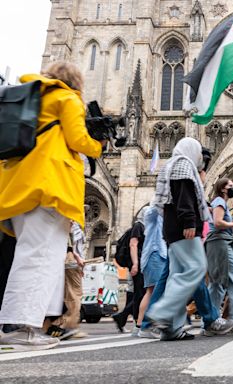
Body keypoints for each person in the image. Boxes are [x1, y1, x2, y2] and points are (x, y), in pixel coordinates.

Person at [0, 62, 104, 351]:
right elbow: (79, 139)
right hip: (49, 188)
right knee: (40, 259)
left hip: (20, 188)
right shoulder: (65, 97)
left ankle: (23, 325)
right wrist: (100, 143)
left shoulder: (34, 97)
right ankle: (22, 328)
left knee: (32, 257)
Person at [146, 137, 213, 340]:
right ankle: (163, 312)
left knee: (177, 275)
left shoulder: (171, 165)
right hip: (184, 229)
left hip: (173, 230)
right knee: (196, 268)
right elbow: (184, 195)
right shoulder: (183, 165)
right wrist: (190, 222)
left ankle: (171, 329)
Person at [205, 178, 233, 329]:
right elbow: (218, 223)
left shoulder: (218, 202)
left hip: (217, 243)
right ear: (223, 189)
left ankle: (210, 320)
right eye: (230, 186)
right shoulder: (219, 201)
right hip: (220, 243)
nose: (232, 188)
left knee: (217, 283)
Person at [46, 222, 87, 340]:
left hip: (67, 257)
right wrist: (76, 257)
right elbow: (68, 240)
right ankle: (68, 325)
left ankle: (55, 325)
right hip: (70, 257)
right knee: (74, 292)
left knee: (65, 292)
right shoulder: (72, 219)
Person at [136, 204, 168, 338]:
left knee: (152, 291)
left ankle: (141, 325)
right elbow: (156, 207)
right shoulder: (151, 213)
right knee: (154, 291)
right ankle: (144, 326)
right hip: (155, 255)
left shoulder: (158, 218)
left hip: (157, 255)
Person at [129, 207, 148, 336]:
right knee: (139, 292)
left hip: (146, 262)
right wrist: (135, 263)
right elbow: (133, 244)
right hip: (140, 262)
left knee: (145, 291)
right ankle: (138, 322)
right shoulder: (138, 225)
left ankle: (143, 320)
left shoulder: (147, 227)